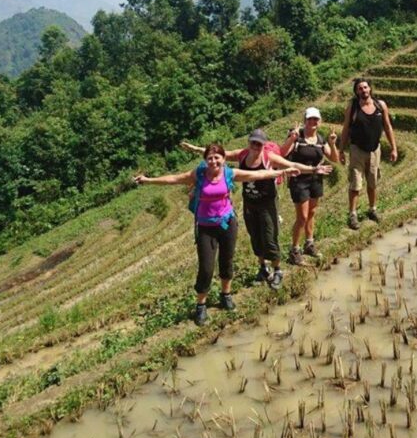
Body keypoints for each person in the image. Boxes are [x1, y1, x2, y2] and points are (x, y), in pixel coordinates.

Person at [134, 143, 300, 325]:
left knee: (226, 261)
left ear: (223, 159)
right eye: (210, 158)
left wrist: (282, 172)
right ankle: (201, 306)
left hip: (228, 223)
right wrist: (149, 180)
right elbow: (174, 178)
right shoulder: (198, 174)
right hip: (205, 226)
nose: (213, 161)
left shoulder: (229, 173)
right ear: (205, 160)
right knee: (206, 267)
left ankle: (226, 295)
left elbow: (257, 174)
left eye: (217, 157)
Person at [180, 130, 332, 290]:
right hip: (250, 203)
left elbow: (292, 165)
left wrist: (313, 170)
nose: (255, 146)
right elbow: (219, 154)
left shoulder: (268, 157)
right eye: (253, 142)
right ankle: (263, 267)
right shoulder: (242, 154)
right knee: (255, 236)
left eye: (259, 144)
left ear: (264, 145)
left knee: (269, 236)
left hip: (267, 203)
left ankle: (277, 270)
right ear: (249, 142)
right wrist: (194, 148)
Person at [280, 107, 339, 265]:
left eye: (316, 119)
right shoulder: (297, 138)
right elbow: (282, 154)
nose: (313, 122)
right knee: (302, 217)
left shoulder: (320, 140)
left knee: (311, 213)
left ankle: (309, 243)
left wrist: (332, 144)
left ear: (319, 121)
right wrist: (291, 139)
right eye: (310, 119)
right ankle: (294, 250)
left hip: (315, 180)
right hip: (299, 181)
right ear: (305, 120)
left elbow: (335, 158)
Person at [339, 78, 397, 230]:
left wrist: (394, 148)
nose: (363, 90)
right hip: (357, 150)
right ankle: (352, 214)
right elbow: (346, 129)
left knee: (372, 182)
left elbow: (388, 127)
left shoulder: (380, 105)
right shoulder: (353, 107)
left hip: (374, 150)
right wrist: (340, 150)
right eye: (360, 88)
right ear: (356, 92)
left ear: (370, 89)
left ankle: (372, 209)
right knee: (355, 184)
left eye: (365, 87)